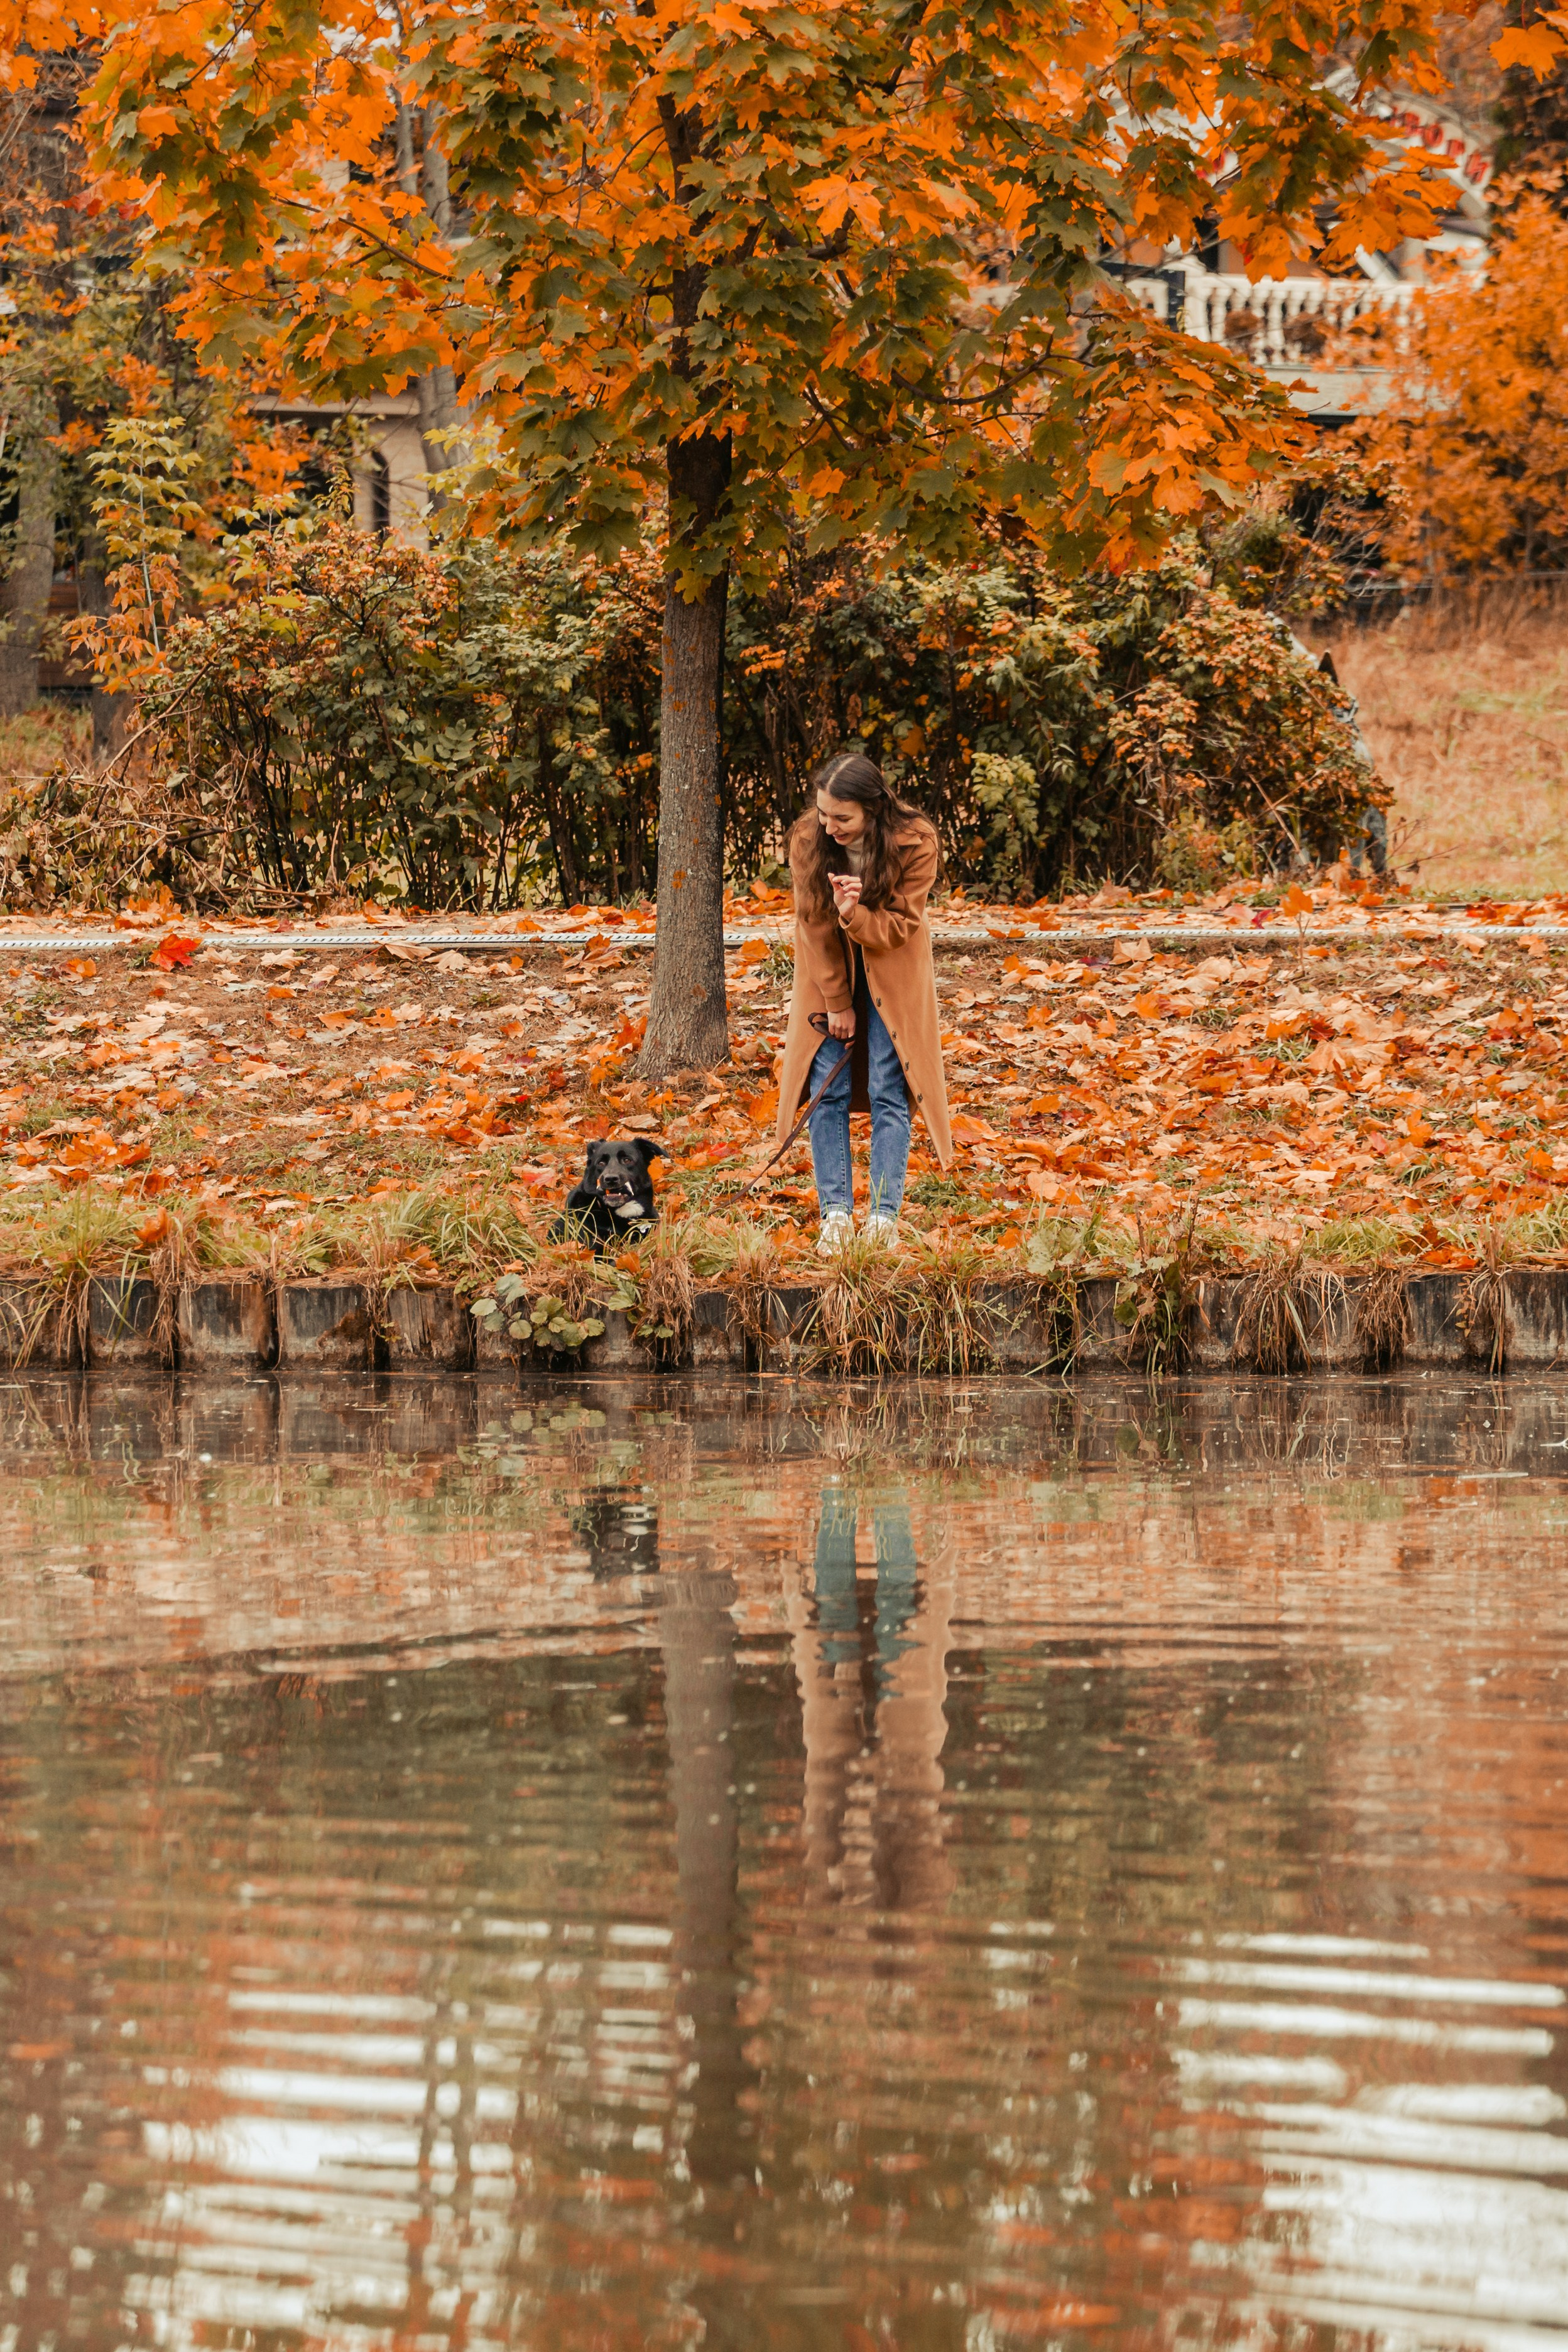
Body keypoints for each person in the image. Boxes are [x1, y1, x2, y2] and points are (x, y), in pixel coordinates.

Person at [775, 750, 952, 1255]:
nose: (830, 826)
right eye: (823, 813)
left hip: (893, 973)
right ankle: (834, 1215)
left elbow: (900, 926)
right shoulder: (809, 839)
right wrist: (836, 1000)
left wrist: (854, 913)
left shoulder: (915, 841)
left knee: (888, 1087)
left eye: (843, 818)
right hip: (827, 971)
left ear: (873, 808)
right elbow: (812, 922)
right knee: (824, 1085)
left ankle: (882, 1217)